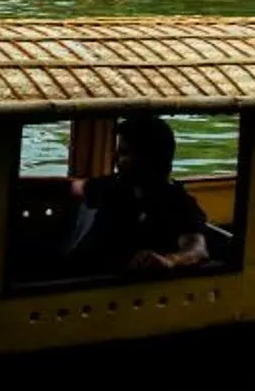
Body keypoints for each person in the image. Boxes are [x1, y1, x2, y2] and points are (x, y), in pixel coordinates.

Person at [54, 115, 219, 274]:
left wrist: (169, 261)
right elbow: (74, 186)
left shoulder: (178, 203)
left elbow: (197, 249)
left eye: (124, 152)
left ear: (148, 159)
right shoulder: (112, 186)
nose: (115, 158)